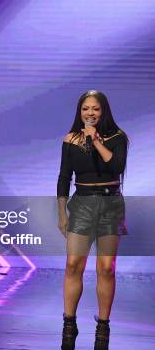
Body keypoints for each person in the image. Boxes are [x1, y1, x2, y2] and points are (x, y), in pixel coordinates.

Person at [57, 90, 128, 350]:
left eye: (95, 109)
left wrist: (96, 140)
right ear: (80, 111)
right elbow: (64, 177)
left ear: (103, 111)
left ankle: (103, 328)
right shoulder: (70, 140)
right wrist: (61, 212)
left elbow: (116, 166)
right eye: (85, 108)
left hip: (110, 204)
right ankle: (68, 323)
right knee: (73, 264)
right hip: (82, 203)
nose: (90, 113)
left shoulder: (118, 138)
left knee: (106, 268)